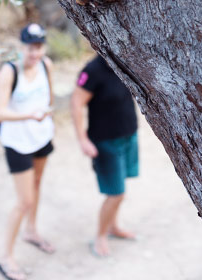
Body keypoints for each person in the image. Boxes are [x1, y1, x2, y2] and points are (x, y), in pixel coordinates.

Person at [0, 23, 55, 280]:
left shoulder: (46, 65)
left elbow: (49, 99)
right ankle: (5, 257)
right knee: (24, 201)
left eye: (39, 47)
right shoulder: (10, 71)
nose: (35, 53)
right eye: (31, 48)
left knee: (38, 184)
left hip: (41, 137)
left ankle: (31, 231)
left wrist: (44, 116)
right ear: (22, 46)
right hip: (17, 143)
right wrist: (29, 115)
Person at [71, 54, 139, 258]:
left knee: (120, 189)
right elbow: (76, 103)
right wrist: (82, 139)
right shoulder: (93, 70)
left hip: (128, 136)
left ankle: (113, 226)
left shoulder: (125, 59)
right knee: (115, 193)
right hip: (105, 142)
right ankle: (100, 236)